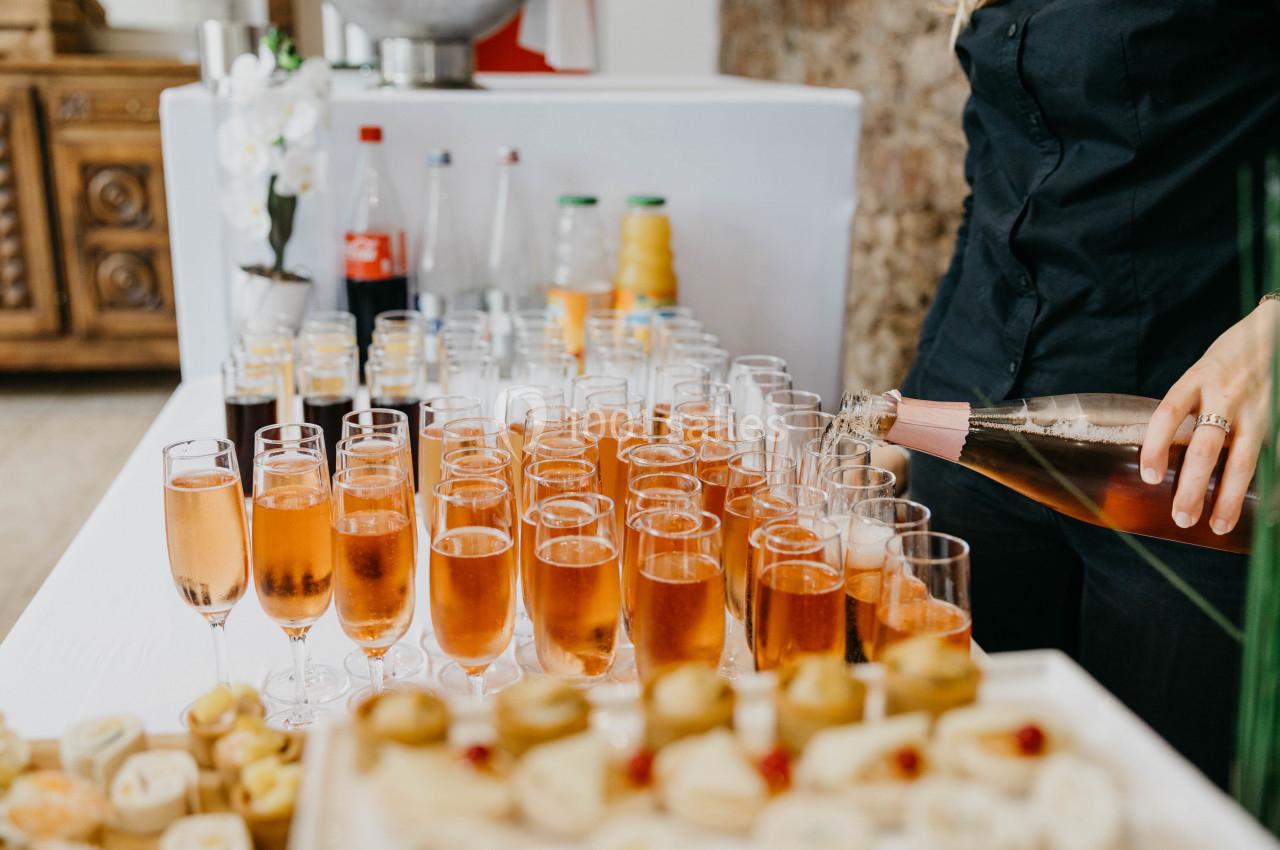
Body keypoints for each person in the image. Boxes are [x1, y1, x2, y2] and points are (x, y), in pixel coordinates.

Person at [901, 0, 1280, 786]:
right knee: (961, 779)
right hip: (975, 442)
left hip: (1170, 464)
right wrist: (905, 408)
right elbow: (993, 198)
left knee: (1158, 800)